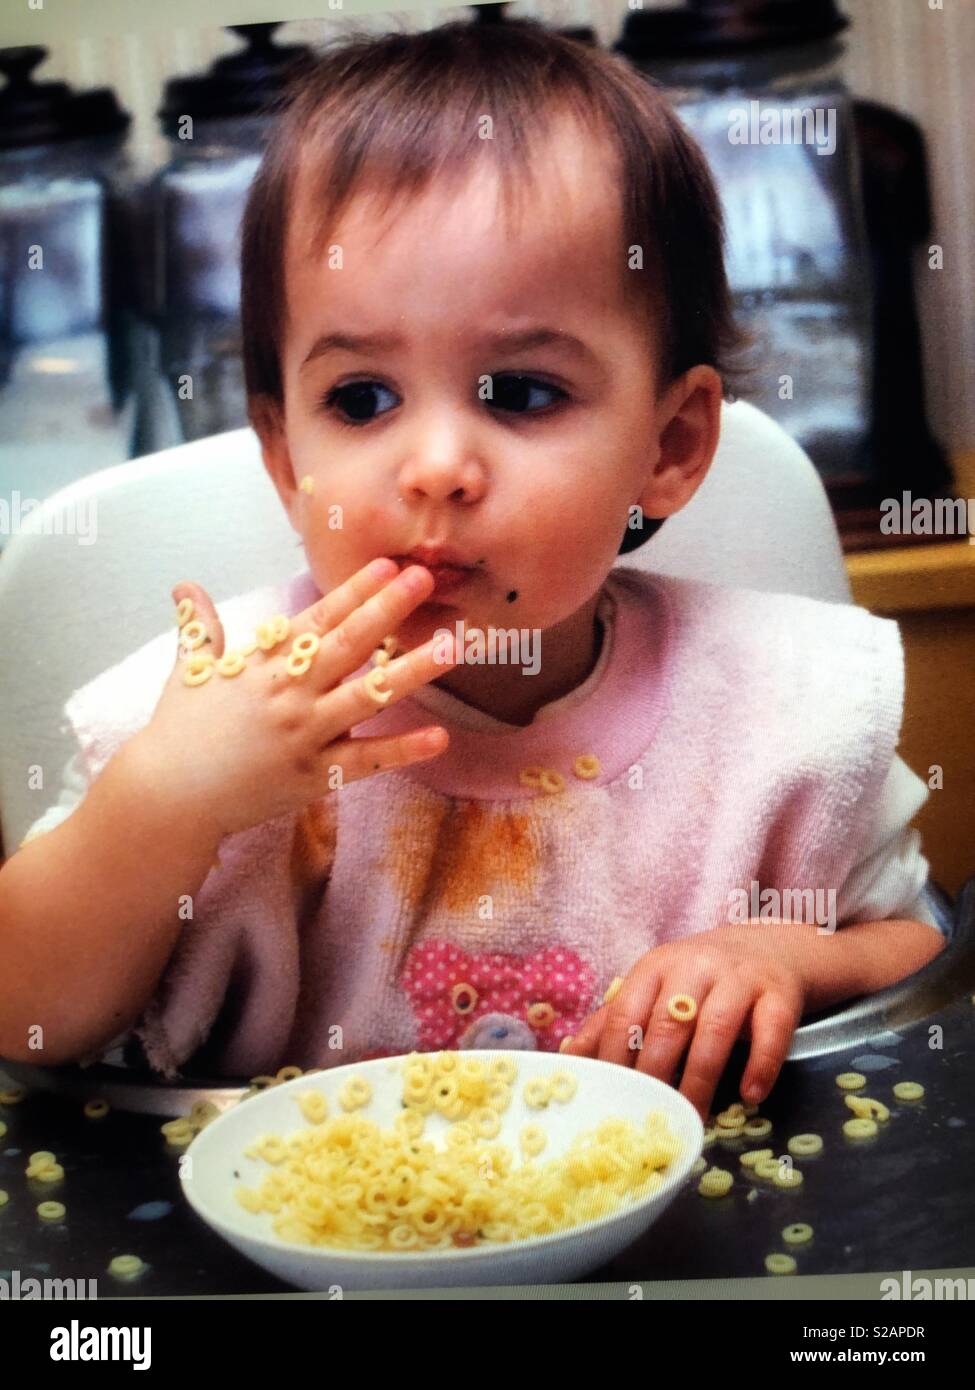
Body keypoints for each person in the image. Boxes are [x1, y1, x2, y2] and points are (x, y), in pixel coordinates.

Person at [0, 21, 944, 1119]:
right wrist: (168, 799)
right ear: (287, 455)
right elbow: (27, 1012)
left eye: (523, 392)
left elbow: (916, 947)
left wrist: (780, 958)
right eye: (361, 399)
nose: (438, 467)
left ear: (671, 447)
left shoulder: (773, 711)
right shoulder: (207, 716)